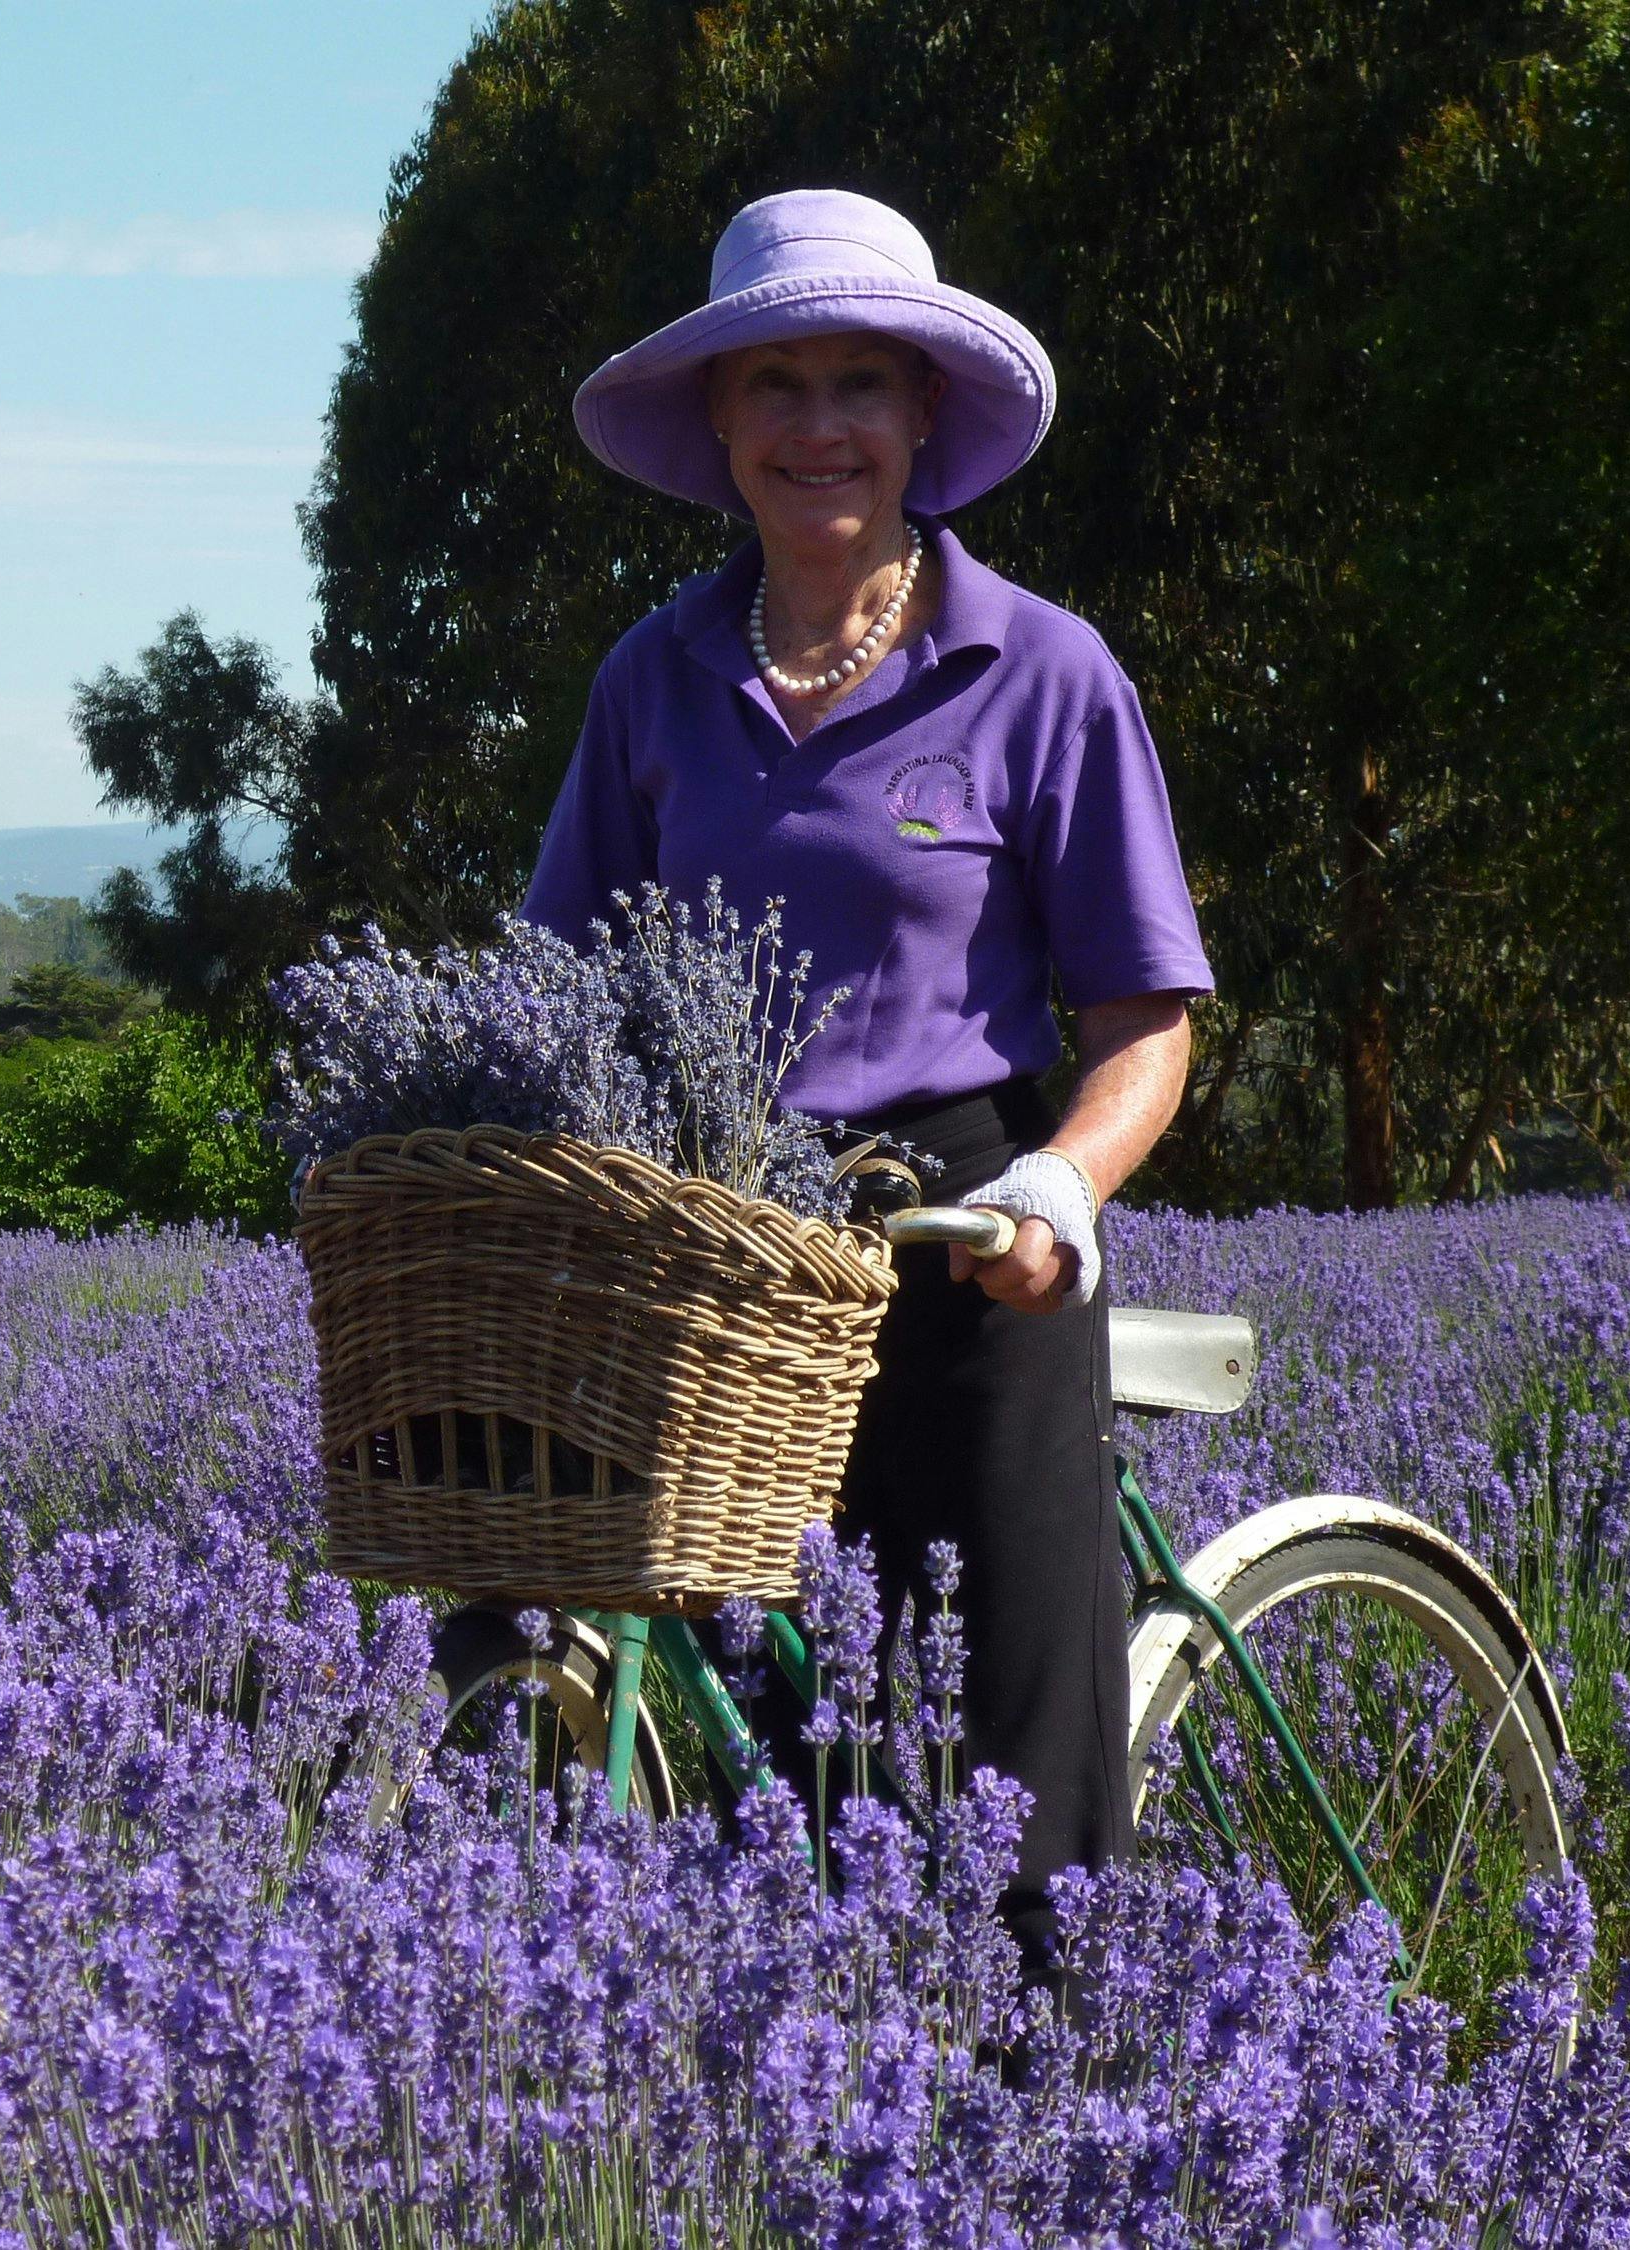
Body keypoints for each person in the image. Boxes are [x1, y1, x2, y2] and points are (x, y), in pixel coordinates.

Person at [522, 188, 1214, 1983]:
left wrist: (1061, 1189)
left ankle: (1051, 2117)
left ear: (920, 419)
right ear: (719, 426)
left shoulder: (1041, 669)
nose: (817, 424)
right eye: (775, 385)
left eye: (857, 385)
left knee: (1010, 1737)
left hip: (975, 1228)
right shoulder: (651, 680)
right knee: (765, 1721)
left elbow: (1147, 1017)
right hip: (730, 1243)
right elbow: (557, 984)